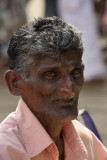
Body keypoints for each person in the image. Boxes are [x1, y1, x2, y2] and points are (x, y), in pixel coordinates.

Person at [0, 16, 107, 160]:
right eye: (50, 75)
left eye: (75, 72)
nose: (70, 88)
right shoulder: (5, 150)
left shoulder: (84, 138)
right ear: (15, 83)